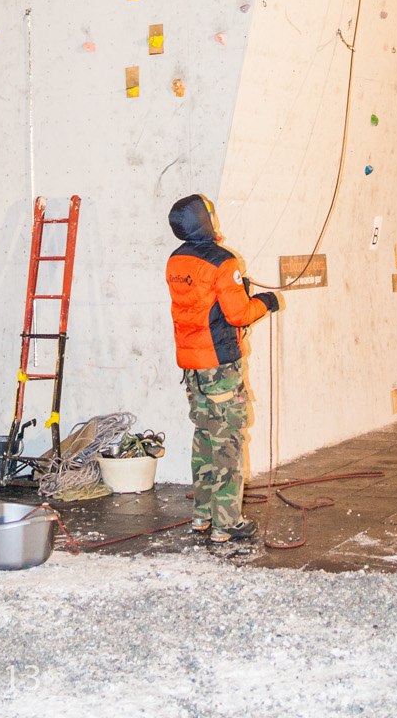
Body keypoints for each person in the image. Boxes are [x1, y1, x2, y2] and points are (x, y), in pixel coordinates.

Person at [165, 193, 279, 556]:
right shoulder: (222, 261)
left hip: (192, 368)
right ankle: (227, 524)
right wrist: (266, 302)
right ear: (205, 220)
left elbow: (203, 302)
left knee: (203, 438)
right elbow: (238, 315)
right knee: (228, 439)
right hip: (219, 367)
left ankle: (202, 516)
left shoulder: (176, 260)